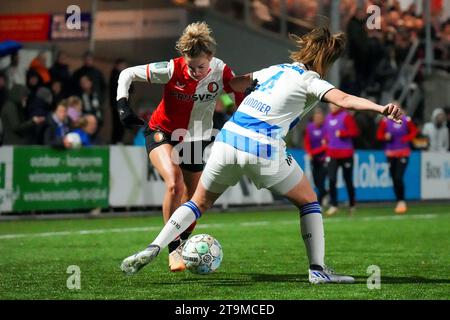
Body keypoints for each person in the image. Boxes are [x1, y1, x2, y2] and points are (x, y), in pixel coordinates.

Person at [119, 27, 403, 283]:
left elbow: (240, 82)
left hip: (226, 140)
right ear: (325, 61)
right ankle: (318, 269)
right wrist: (381, 109)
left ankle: (156, 245)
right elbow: (343, 99)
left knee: (198, 202)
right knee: (309, 202)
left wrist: (216, 89)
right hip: (261, 146)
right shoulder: (310, 79)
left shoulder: (274, 69)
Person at [116, 22, 243, 272]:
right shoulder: (170, 69)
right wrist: (123, 105)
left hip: (195, 139)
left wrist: (237, 116)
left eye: (201, 66)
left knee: (195, 200)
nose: (195, 71)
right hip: (162, 132)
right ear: (183, 59)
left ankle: (184, 244)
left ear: (211, 58)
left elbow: (237, 93)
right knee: (174, 183)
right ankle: (173, 249)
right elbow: (127, 73)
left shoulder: (222, 71)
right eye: (191, 66)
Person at [376, 105, 418, 214]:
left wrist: (406, 139)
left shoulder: (406, 120)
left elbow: (414, 132)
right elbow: (379, 135)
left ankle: (402, 201)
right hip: (390, 153)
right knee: (394, 178)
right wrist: (385, 137)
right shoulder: (385, 121)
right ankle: (399, 201)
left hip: (403, 152)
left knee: (399, 177)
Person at [324, 103, 359, 216]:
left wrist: (343, 133)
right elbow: (327, 133)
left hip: (346, 153)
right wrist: (325, 140)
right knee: (332, 179)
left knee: (348, 179)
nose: (333, 106)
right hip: (332, 153)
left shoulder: (345, 116)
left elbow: (355, 132)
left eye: (335, 104)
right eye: (331, 104)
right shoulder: (328, 118)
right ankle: (334, 205)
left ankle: (352, 205)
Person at [303, 108, 328, 206]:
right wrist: (309, 153)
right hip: (314, 159)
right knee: (316, 181)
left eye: (320, 117)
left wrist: (312, 153)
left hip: (324, 158)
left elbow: (326, 146)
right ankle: (325, 194)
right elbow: (307, 141)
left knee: (321, 180)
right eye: (316, 117)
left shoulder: (326, 128)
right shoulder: (310, 128)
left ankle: (320, 203)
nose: (318, 119)